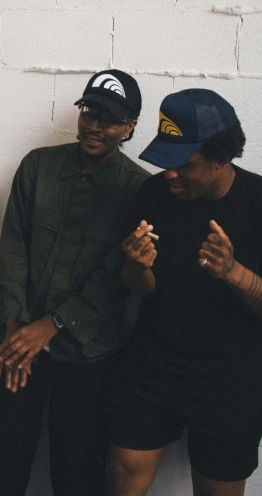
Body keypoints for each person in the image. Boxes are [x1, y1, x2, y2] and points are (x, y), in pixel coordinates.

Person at [0, 69, 150, 496]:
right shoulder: (39, 165)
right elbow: (12, 248)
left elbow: (117, 276)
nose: (94, 125)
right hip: (16, 343)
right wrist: (15, 327)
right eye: (89, 111)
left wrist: (52, 325)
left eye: (109, 119)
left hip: (87, 354)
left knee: (77, 471)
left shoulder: (139, 189)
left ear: (130, 127)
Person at [105, 88, 262, 496]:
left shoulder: (258, 203)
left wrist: (233, 272)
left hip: (231, 378)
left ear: (220, 159)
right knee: (123, 474)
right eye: (165, 161)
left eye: (183, 164)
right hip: (153, 366)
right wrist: (137, 267)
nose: (169, 173)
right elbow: (142, 289)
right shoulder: (153, 194)